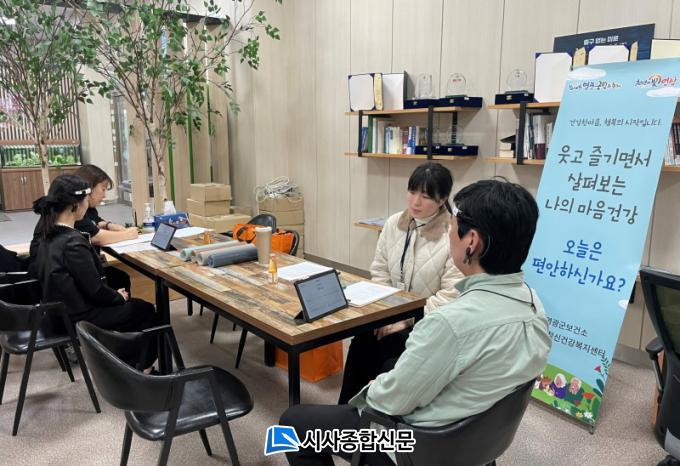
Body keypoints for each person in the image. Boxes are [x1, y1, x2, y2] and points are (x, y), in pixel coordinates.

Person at [280, 179, 552, 466]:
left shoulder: (449, 323)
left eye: (453, 224)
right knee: (387, 363)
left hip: (415, 446)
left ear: (471, 241)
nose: (449, 230)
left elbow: (389, 402)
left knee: (292, 423)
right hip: (476, 441)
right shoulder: (533, 304)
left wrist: (375, 389)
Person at [338, 162, 463, 404]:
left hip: (428, 322)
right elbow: (380, 271)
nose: (415, 201)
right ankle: (346, 409)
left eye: (425, 196)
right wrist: (385, 315)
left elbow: (450, 295)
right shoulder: (394, 223)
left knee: (390, 347)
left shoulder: (452, 235)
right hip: (391, 313)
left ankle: (373, 409)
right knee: (364, 337)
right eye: (412, 191)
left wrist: (406, 320)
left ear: (442, 199)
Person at [32, 174, 158, 369]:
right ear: (75, 205)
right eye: (86, 199)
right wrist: (117, 297)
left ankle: (127, 359)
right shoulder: (73, 243)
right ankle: (141, 369)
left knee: (125, 292)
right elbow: (95, 290)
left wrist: (113, 295)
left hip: (57, 313)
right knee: (145, 310)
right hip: (78, 318)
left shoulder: (48, 234)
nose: (88, 203)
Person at [73, 164, 138, 293]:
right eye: (103, 189)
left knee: (120, 277)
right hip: (83, 276)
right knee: (120, 279)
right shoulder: (77, 211)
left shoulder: (88, 208)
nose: (104, 195)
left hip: (84, 269)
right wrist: (127, 234)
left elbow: (96, 221)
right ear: (89, 188)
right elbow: (96, 237)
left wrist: (108, 225)